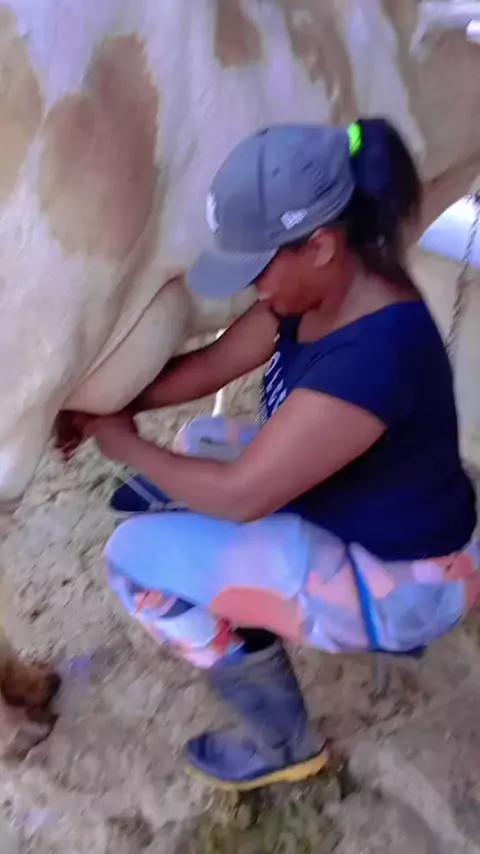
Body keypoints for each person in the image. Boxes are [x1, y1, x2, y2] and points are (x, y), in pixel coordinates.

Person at [56, 119, 479, 792]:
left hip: (410, 583)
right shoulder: (325, 285)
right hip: (365, 509)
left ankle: (285, 741)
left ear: (320, 245)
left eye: (257, 270)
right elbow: (216, 363)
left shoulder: (373, 356)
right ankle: (195, 528)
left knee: (131, 560)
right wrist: (109, 405)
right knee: (199, 444)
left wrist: (125, 444)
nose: (253, 289)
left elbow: (241, 497)